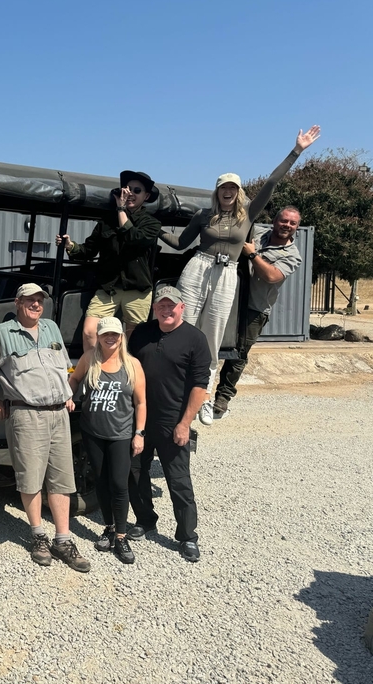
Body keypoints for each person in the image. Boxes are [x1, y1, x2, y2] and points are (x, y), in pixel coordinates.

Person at [159, 126, 320, 425]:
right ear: (217, 191)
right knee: (182, 326)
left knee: (212, 334)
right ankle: (170, 388)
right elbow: (181, 243)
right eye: (223, 187)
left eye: (233, 187)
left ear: (238, 191)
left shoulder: (248, 214)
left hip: (226, 273)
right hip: (198, 267)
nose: (228, 191)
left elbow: (272, 182)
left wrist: (296, 150)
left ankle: (203, 396)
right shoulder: (202, 216)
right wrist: (154, 228)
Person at [0, 283, 90, 572]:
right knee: (30, 479)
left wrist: (67, 393)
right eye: (30, 300)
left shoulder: (52, 328)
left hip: (59, 415)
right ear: (17, 303)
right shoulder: (1, 334)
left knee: (62, 479)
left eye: (40, 300)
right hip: (26, 415)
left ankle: (63, 540)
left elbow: (64, 366)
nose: (36, 305)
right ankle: (38, 536)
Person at [127, 286, 211, 563]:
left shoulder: (195, 339)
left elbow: (200, 386)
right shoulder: (141, 334)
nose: (166, 310)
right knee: (136, 472)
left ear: (182, 307)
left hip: (172, 421)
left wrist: (185, 423)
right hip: (139, 418)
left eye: (171, 306)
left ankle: (187, 536)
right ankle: (146, 520)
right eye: (161, 306)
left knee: (179, 481)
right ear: (154, 309)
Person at [68, 317, 146, 565]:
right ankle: (109, 527)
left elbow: (141, 402)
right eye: (105, 334)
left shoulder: (132, 365)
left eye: (115, 334)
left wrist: (139, 433)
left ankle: (122, 536)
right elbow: (74, 379)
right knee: (100, 481)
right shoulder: (89, 359)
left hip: (121, 434)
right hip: (93, 432)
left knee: (119, 484)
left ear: (121, 337)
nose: (110, 338)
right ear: (99, 336)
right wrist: (69, 396)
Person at [56, 171, 162, 351]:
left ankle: (125, 375)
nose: (131, 194)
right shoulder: (106, 222)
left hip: (137, 289)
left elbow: (133, 238)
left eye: (137, 190)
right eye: (128, 189)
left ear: (146, 196)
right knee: (90, 332)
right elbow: (88, 250)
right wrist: (70, 245)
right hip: (108, 287)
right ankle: (92, 372)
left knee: (132, 340)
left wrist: (120, 210)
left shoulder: (151, 224)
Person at [213, 207, 303, 417]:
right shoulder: (256, 233)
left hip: (255, 308)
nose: (287, 225)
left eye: (292, 223)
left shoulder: (292, 255)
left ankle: (223, 397)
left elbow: (272, 276)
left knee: (238, 354)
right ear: (275, 220)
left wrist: (252, 254)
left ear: (296, 227)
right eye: (284, 221)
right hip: (227, 298)